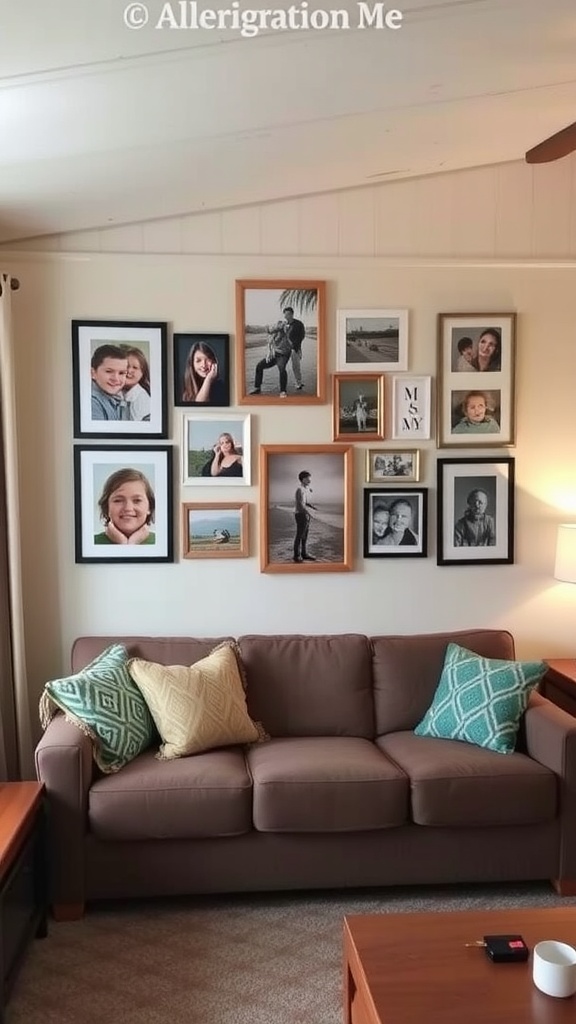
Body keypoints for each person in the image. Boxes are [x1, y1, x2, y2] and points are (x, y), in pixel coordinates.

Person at [94, 468, 155, 545]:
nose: (128, 508)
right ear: (107, 507)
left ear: (149, 507)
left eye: (137, 500)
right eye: (118, 500)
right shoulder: (91, 543)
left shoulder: (162, 543)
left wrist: (132, 544)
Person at [250, 321, 293, 397]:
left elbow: (284, 327)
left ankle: (283, 391)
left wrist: (280, 326)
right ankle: (257, 387)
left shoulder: (283, 331)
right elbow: (269, 345)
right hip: (275, 354)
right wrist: (268, 355)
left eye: (271, 331)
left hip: (283, 354)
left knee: (282, 369)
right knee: (259, 366)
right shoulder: (272, 335)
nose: (271, 332)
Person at [91, 344, 129, 420]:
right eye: (109, 371)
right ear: (93, 373)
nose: (116, 379)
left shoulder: (121, 398)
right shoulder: (92, 403)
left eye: (121, 373)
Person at [293, 470, 317, 563]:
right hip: (300, 514)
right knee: (299, 535)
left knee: (305, 536)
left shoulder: (305, 489)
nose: (309, 480)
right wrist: (309, 512)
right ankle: (296, 556)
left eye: (309, 478)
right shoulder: (299, 489)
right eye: (307, 478)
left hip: (305, 514)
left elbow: (305, 502)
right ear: (302, 479)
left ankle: (304, 554)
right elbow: (300, 504)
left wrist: (312, 507)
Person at [122, 346, 151, 421]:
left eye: (135, 367)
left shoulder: (142, 398)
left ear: (142, 373)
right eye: (126, 366)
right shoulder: (118, 392)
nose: (129, 370)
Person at [283, 306, 306, 390]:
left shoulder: (299, 324)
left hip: (295, 348)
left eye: (288, 314)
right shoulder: (284, 324)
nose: (287, 316)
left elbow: (302, 336)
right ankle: (283, 385)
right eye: (285, 314)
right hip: (285, 349)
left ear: (292, 314)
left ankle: (298, 383)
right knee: (282, 366)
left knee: (296, 366)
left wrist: (295, 346)